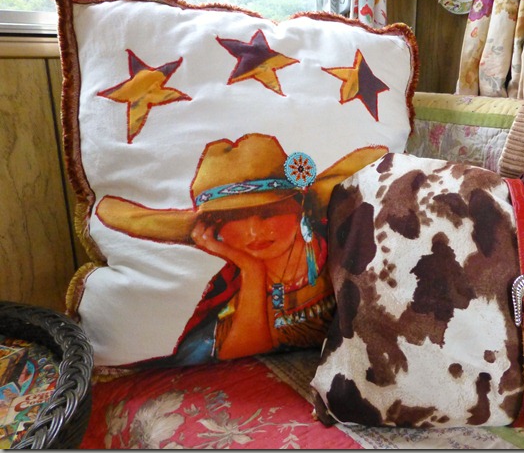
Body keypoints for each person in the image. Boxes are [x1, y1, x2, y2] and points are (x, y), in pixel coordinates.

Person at [96, 133, 386, 366]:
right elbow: (241, 349)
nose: (254, 232)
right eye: (232, 218)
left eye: (268, 212)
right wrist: (251, 270)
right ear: (210, 229)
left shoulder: (349, 247)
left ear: (300, 204)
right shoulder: (227, 291)